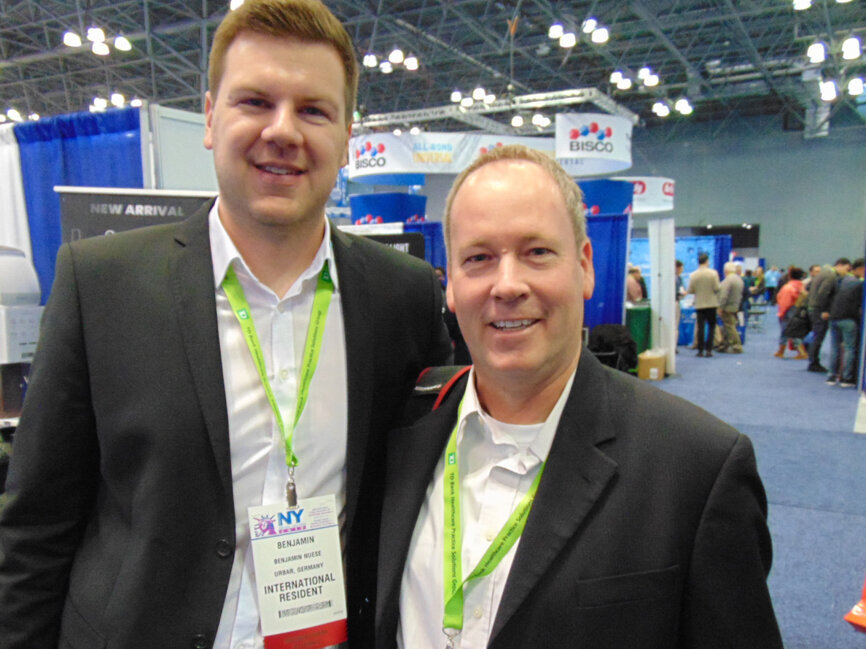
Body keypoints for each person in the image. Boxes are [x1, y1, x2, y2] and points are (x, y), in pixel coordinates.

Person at [0, 2, 452, 647]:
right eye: (255, 102)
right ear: (211, 117)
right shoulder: (100, 284)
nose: (283, 131)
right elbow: (36, 525)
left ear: (349, 134)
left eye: (314, 110)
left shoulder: (401, 295)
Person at [374, 145, 782, 649]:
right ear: (450, 284)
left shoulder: (697, 467)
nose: (507, 284)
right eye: (478, 258)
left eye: (537, 252)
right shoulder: (403, 431)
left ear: (585, 266)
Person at [806, 257, 852, 373]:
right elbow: (823, 293)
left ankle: (813, 361)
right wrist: (824, 310)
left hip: (814, 307)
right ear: (840, 265)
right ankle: (813, 362)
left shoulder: (824, 273)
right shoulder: (830, 276)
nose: (847, 272)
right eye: (847, 268)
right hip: (819, 310)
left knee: (817, 336)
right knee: (819, 336)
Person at [826, 258, 864, 387]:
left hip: (834, 317)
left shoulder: (841, 281)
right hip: (849, 318)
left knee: (835, 348)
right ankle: (846, 378)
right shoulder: (859, 284)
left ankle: (831, 376)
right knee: (849, 349)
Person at [687, 252, 720, 357]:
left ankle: (700, 350)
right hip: (711, 304)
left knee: (700, 327)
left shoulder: (693, 275)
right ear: (707, 261)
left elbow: (691, 290)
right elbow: (717, 288)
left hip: (699, 304)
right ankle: (709, 349)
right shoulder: (713, 273)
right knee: (711, 327)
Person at [774, 267, 808, 359]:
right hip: (798, 311)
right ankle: (800, 351)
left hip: (788, 311)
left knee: (785, 331)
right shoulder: (801, 286)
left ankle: (783, 351)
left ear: (789, 275)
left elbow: (785, 303)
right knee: (794, 331)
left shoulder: (788, 287)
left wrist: (781, 313)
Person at [717, 261, 744, 353]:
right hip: (735, 306)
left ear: (726, 270)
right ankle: (724, 345)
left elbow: (723, 295)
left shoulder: (727, 281)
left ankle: (737, 346)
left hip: (727, 307)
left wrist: (720, 307)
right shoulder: (738, 279)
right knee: (727, 326)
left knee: (730, 327)